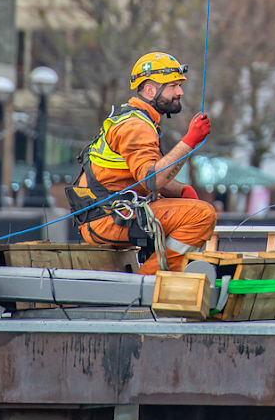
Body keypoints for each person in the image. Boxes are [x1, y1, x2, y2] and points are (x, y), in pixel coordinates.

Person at [67, 51, 217, 274]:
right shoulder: (136, 126)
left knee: (193, 211)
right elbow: (151, 179)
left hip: (110, 214)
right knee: (203, 215)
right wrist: (190, 141)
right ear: (150, 90)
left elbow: (143, 175)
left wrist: (181, 190)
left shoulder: (138, 120)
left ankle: (156, 276)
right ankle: (151, 281)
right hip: (108, 218)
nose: (180, 92)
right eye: (173, 86)